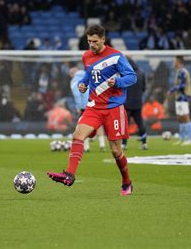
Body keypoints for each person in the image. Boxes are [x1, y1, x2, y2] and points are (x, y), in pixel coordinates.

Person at [47, 24, 137, 196]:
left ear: (103, 39)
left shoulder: (117, 57)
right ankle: (69, 175)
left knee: (116, 150)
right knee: (77, 135)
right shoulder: (86, 56)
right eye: (89, 41)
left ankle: (126, 182)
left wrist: (117, 82)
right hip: (94, 107)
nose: (92, 45)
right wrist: (84, 84)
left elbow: (132, 77)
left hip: (113, 108)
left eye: (95, 41)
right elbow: (89, 73)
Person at [69, 66, 106, 152]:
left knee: (83, 125)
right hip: (96, 102)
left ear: (72, 74)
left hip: (85, 105)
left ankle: (86, 147)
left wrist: (79, 106)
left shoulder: (75, 80)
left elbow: (77, 94)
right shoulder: (89, 75)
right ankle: (102, 145)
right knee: (98, 123)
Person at [168, 56, 191, 145]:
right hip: (179, 97)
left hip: (183, 97)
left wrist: (172, 90)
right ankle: (182, 138)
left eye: (175, 61)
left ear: (179, 62)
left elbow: (183, 85)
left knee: (185, 117)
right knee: (180, 118)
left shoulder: (182, 72)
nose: (174, 62)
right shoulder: (179, 71)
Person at [122, 58, 148, 150]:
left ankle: (124, 144)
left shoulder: (125, 73)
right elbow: (144, 87)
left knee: (125, 124)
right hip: (138, 103)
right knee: (140, 123)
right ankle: (144, 143)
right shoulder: (141, 73)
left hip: (127, 103)